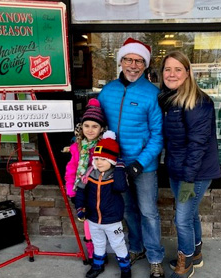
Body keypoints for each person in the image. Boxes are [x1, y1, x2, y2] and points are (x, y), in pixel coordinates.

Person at [98, 37, 165, 278]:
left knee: (148, 212)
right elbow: (96, 121)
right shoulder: (108, 91)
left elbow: (158, 136)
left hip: (143, 166)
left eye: (139, 61)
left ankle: (156, 257)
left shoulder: (152, 94)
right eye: (128, 59)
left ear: (145, 65)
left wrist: (139, 163)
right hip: (116, 165)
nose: (133, 65)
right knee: (127, 210)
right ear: (121, 62)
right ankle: (136, 248)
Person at [158, 51, 221, 278]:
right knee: (190, 214)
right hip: (178, 168)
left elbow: (197, 145)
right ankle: (196, 253)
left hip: (195, 173)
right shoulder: (170, 99)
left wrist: (188, 179)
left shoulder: (198, 102)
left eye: (178, 69)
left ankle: (186, 263)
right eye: (167, 69)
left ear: (188, 73)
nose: (172, 74)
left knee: (182, 218)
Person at [75, 131, 131, 278]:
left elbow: (121, 187)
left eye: (104, 159)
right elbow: (80, 191)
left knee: (118, 244)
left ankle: (125, 269)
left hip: (112, 220)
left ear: (112, 161)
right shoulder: (90, 174)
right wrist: (80, 208)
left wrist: (119, 167)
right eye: (97, 158)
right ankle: (97, 265)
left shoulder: (116, 175)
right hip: (93, 218)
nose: (99, 162)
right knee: (98, 243)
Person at [64, 98, 106, 264]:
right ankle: (92, 253)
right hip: (81, 191)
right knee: (87, 223)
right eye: (87, 126)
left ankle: (101, 251)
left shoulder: (104, 146)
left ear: (101, 128)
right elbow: (71, 169)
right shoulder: (77, 147)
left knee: (100, 223)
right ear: (81, 127)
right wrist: (71, 190)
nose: (90, 130)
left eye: (95, 126)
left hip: (99, 191)